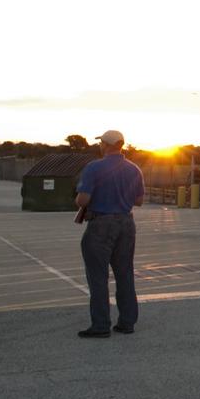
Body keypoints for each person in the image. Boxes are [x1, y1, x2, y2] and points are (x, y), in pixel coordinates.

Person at [74, 130, 145, 338]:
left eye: (101, 143)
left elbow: (83, 200)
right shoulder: (134, 169)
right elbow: (139, 201)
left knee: (97, 276)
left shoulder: (94, 167)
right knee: (125, 273)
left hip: (101, 224)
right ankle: (127, 322)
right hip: (126, 223)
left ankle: (100, 325)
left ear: (105, 145)